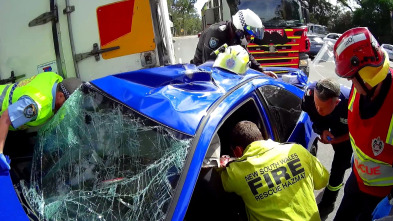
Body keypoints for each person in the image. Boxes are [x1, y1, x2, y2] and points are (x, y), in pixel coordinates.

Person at [332, 27, 393, 221]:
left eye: (350, 76)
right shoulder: (360, 88)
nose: (349, 81)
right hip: (358, 181)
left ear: (367, 74)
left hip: (382, 197)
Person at [220, 120, 329, 220]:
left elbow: (216, 180)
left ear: (238, 150)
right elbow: (323, 180)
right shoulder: (297, 150)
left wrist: (221, 164)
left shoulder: (235, 173)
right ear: (260, 137)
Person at [0, 72, 82, 171]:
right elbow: (5, 118)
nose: (66, 108)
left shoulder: (56, 80)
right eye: (66, 104)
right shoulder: (36, 106)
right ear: (60, 96)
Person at [301, 78, 353, 217]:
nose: (319, 109)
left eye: (323, 108)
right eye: (317, 105)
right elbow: (314, 116)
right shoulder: (310, 95)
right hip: (330, 128)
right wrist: (322, 129)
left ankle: (329, 202)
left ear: (336, 102)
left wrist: (336, 140)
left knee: (340, 167)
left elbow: (357, 131)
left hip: (346, 134)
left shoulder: (351, 103)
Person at [190, 9, 277, 78]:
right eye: (248, 35)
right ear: (240, 30)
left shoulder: (236, 35)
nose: (250, 38)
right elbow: (209, 64)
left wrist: (261, 71)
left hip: (224, 72)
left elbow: (245, 53)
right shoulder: (216, 33)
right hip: (200, 73)